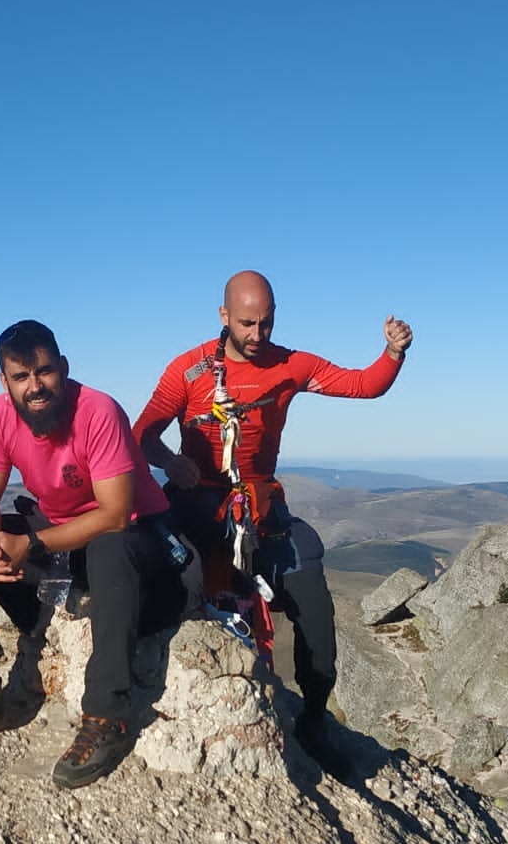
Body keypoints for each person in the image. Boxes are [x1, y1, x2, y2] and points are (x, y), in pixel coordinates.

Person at [133, 270, 412, 754]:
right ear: (224, 316)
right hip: (197, 496)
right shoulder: (189, 370)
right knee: (175, 573)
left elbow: (363, 385)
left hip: (260, 501)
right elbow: (142, 436)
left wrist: (392, 353)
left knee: (311, 584)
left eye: (266, 323)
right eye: (246, 323)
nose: (257, 335)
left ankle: (314, 715)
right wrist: (171, 461)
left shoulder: (291, 365)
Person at [0, 319, 191, 790]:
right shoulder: (1, 415)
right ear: (4, 381)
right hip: (66, 539)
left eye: (44, 372)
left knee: (109, 547)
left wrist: (27, 545)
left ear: (63, 368)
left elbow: (115, 515)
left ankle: (108, 716)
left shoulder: (98, 412)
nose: (36, 387)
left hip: (137, 540)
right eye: (21, 377)